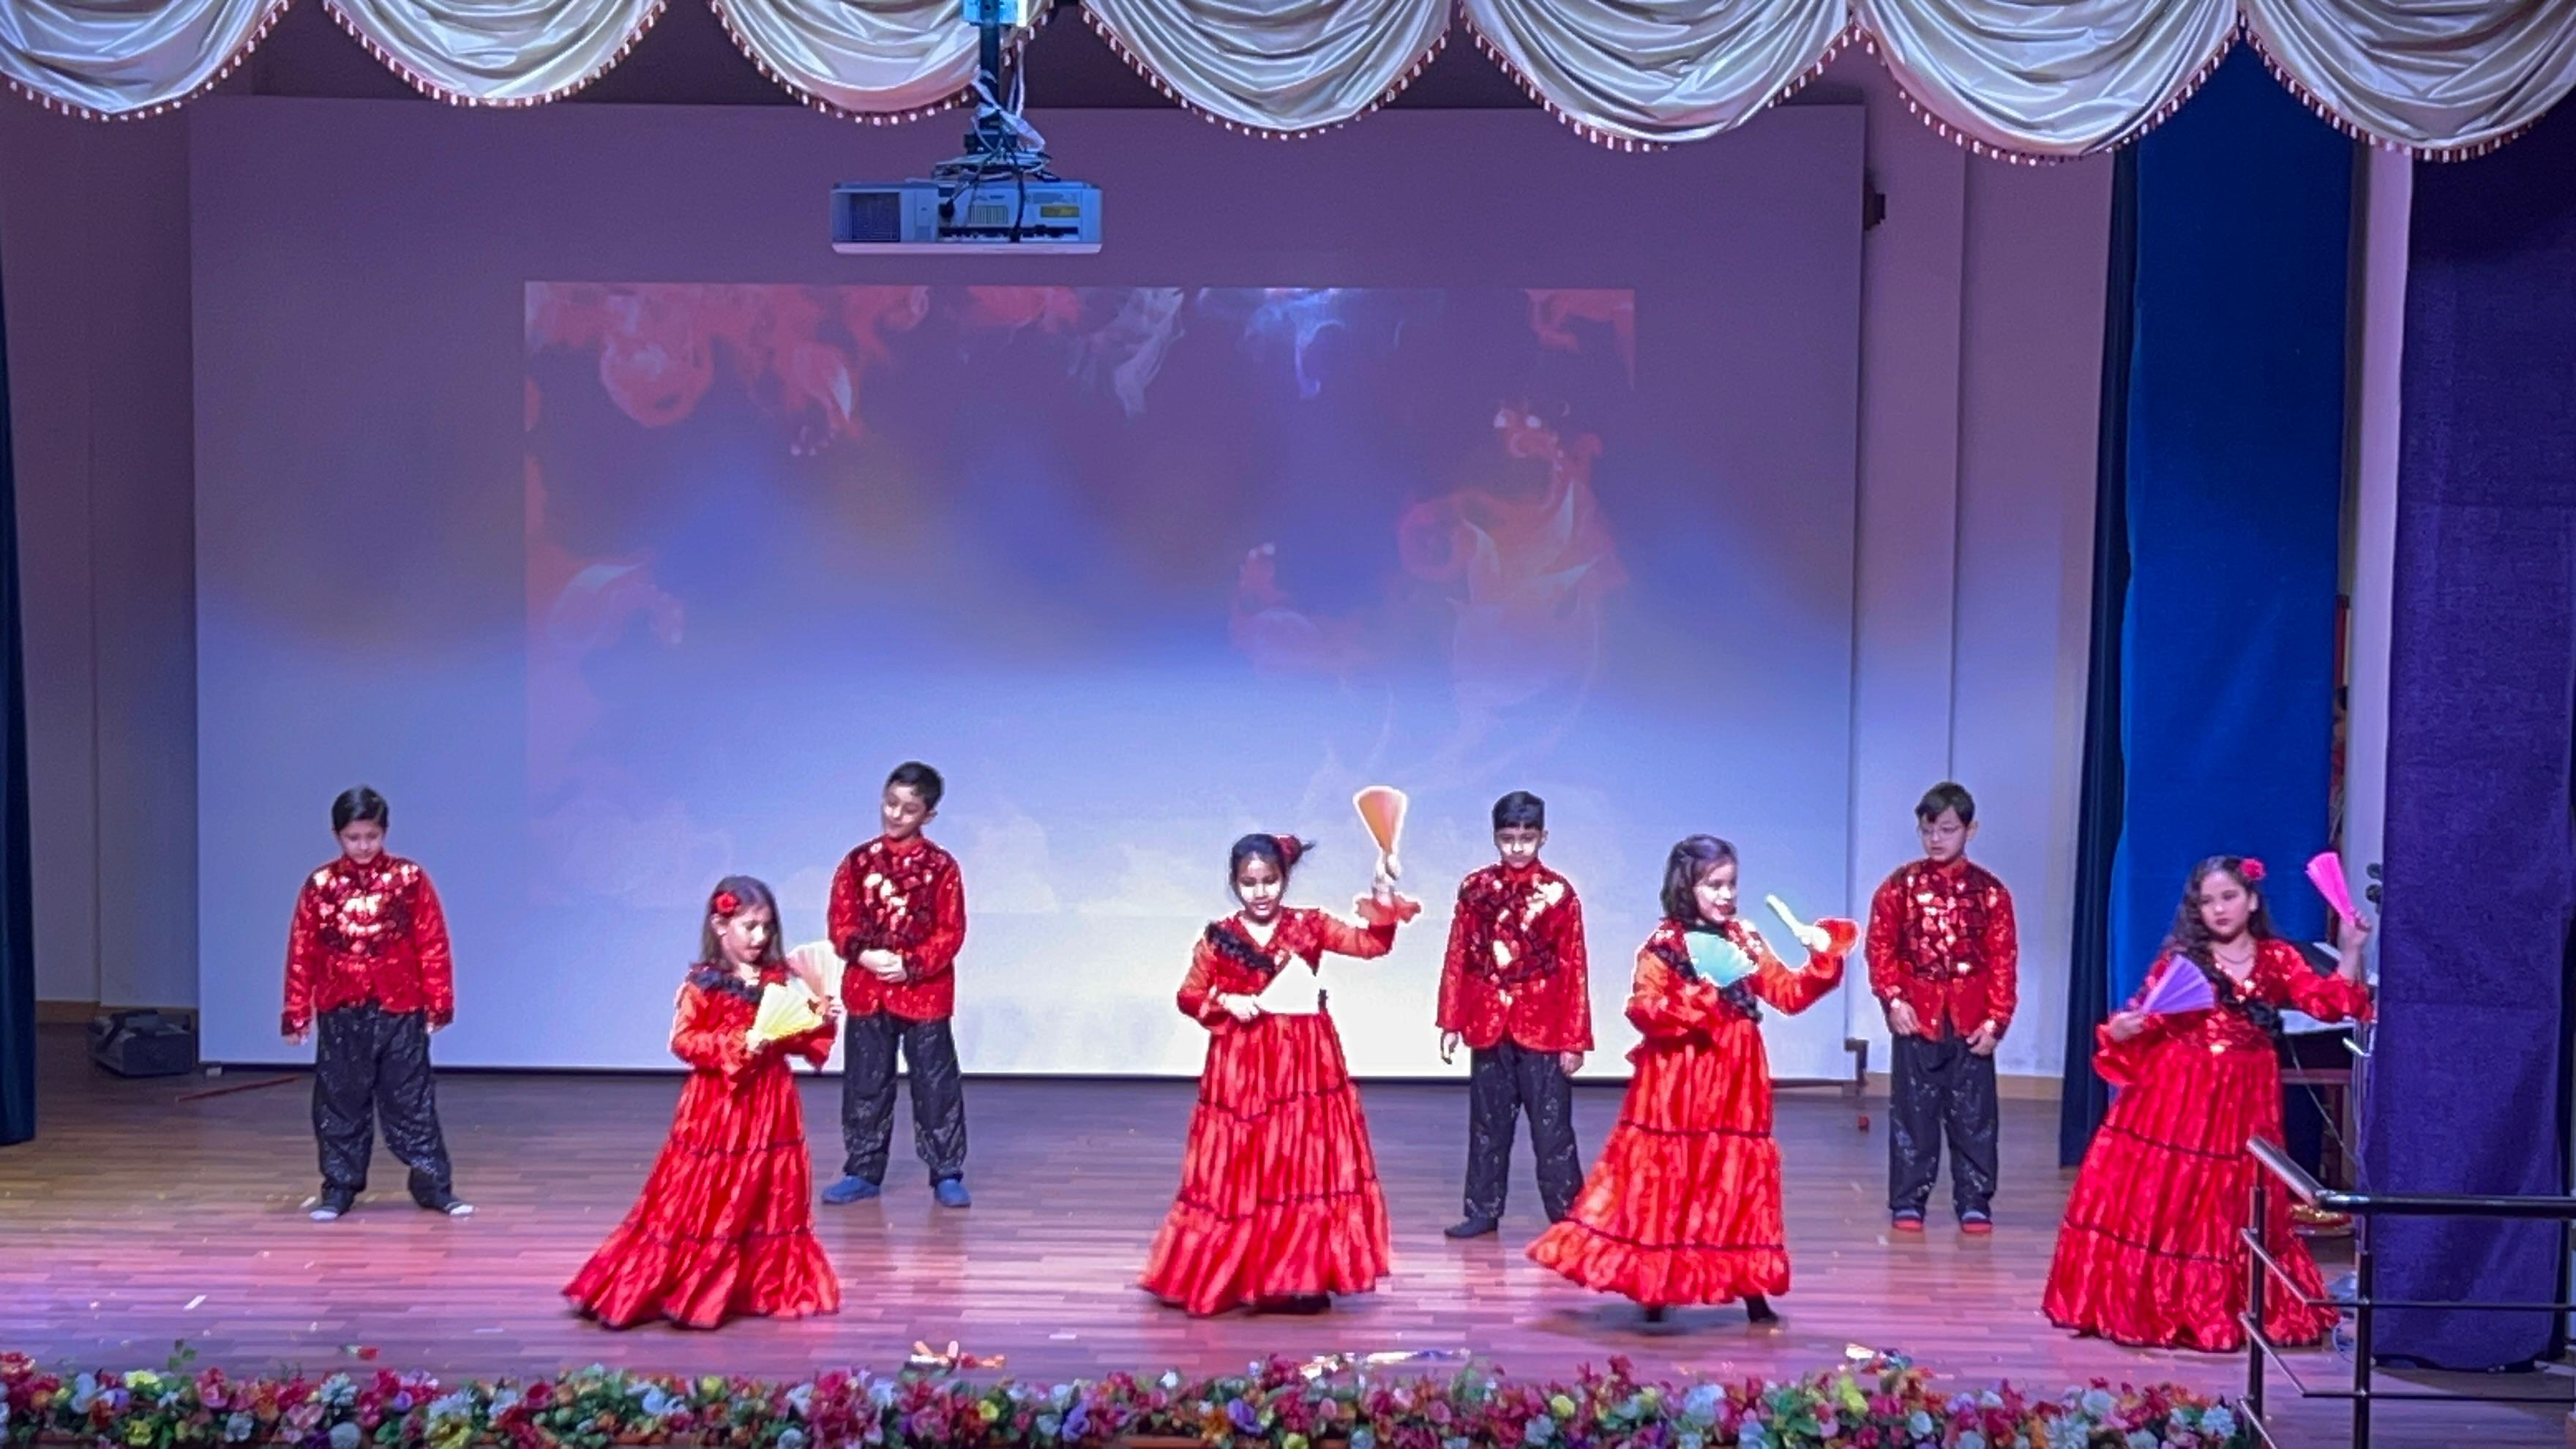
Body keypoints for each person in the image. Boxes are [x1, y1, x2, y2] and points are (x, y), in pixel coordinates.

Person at [2043, 855, 2373, 1351]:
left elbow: (2329, 1004)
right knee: (2172, 1196)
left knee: (2236, 1198)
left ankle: (2228, 1303)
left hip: (2247, 1095)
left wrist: (2351, 950)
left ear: (2252, 901)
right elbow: (2145, 1018)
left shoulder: (2277, 959)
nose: (2219, 909)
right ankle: (2161, 1303)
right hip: (2181, 1093)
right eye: (2207, 901)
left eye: (2229, 897)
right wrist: (2123, 1028)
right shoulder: (2181, 963)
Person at [1527, 836, 1852, 1325]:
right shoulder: (1664, 947)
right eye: (1713, 885)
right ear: (1687, 886)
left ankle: (1750, 1287)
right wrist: (1701, 997)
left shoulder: (1745, 939)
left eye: (1731, 884)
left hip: (1736, 1081)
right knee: (1670, 1177)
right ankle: (1656, 1285)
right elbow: (1644, 1009)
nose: (1726, 895)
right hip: (1678, 1082)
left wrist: (1823, 958)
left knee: (1734, 1179)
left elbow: (1787, 994)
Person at [1139, 832, 1417, 1316]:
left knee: (1301, 1164)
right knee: (1244, 1166)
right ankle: (1237, 1273)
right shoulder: (1220, 937)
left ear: (1284, 878)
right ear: (1235, 884)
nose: (1260, 892)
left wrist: (1382, 894)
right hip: (1244, 1067)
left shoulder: (1309, 925)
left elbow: (1371, 943)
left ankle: (1300, 1276)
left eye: (1269, 881)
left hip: (1305, 1068)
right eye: (1249, 883)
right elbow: (1188, 994)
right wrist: (1228, 1000)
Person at [566, 877, 842, 1329]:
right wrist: (738, 1043)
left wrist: (816, 1019)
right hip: (719, 1105)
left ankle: (753, 1285)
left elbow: (792, 1037)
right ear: (720, 925)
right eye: (750, 926)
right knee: (705, 1193)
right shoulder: (705, 984)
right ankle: (691, 1283)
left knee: (765, 1193)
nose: (760, 937)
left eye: (767, 927)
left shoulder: (776, 979)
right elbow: (684, 1040)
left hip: (770, 1101)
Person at [280, 787, 470, 1221]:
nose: (363, 846)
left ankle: (434, 1187)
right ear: (338, 836)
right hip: (341, 1008)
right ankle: (339, 1188)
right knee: (340, 1101)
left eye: (371, 836)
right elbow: (302, 949)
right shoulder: (320, 885)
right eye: (354, 838)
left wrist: (439, 1001)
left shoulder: (409, 879)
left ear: (384, 832)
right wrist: (296, 1012)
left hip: (400, 1007)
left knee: (412, 1100)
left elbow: (431, 941)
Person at [1437, 790, 1592, 1238]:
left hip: (1544, 1026)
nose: (1518, 847)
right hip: (1489, 1022)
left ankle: (1568, 1215)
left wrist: (1575, 1039)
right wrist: (1451, 1020)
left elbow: (1574, 968)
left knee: (1552, 1129)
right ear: (1495, 837)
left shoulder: (1559, 895)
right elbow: (1459, 956)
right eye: (1508, 838)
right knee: (1488, 1124)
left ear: (1543, 837)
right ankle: (1482, 1210)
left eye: (1527, 838)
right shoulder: (1476, 889)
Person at [1866, 782, 2018, 1234]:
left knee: (1974, 1115)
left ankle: (1975, 1199)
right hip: (1916, 1016)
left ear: (1971, 830)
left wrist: (1997, 1020)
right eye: (1928, 830)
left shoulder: (1991, 893)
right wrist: (1893, 999)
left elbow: (2003, 959)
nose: (1936, 839)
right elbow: (1880, 949)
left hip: (1971, 1018)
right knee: (1913, 1113)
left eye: (1947, 830)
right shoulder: (1898, 887)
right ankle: (1908, 1200)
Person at [821, 762, 972, 1208]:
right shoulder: (857, 862)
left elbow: (950, 932)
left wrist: (911, 965)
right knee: (865, 1083)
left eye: (908, 809)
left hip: (925, 995)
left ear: (928, 815)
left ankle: (946, 1172)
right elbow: (841, 922)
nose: (895, 815)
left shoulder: (941, 867)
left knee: (935, 1085)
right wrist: (863, 954)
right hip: (867, 992)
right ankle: (863, 1170)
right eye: (890, 803)